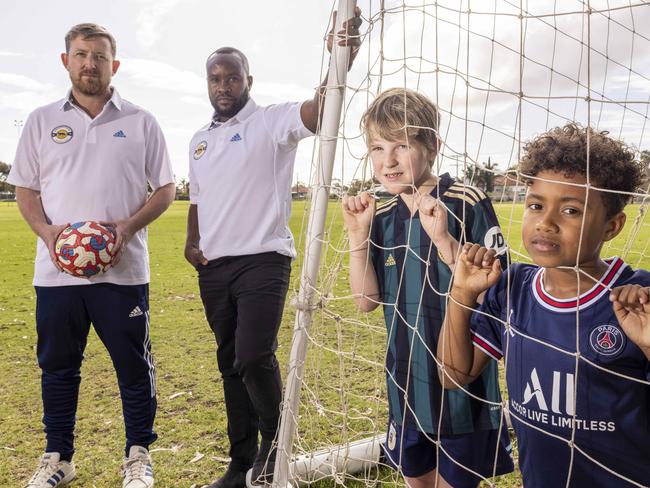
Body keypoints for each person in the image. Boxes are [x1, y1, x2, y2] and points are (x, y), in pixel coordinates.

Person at [183, 9, 362, 488]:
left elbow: (321, 107)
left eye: (232, 77)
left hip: (263, 260)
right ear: (207, 83)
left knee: (252, 355)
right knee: (228, 363)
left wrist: (341, 55)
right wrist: (190, 239)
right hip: (214, 267)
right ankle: (240, 462)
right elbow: (197, 196)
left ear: (247, 80)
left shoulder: (269, 122)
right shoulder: (199, 141)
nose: (223, 85)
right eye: (215, 78)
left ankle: (273, 446)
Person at [8, 23, 175, 488]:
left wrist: (127, 227)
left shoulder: (141, 121)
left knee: (132, 367)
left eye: (99, 56)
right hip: (56, 275)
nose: (90, 64)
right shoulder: (42, 120)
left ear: (113, 65)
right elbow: (26, 187)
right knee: (58, 367)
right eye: (81, 55)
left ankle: (138, 455)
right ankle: (58, 457)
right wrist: (46, 233)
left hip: (122, 274)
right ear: (66, 61)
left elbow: (166, 188)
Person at [438, 123, 650, 487]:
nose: (546, 223)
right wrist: (461, 295)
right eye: (536, 205)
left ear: (612, 226)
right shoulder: (512, 287)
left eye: (570, 211)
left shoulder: (637, 296)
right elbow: (452, 376)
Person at [341, 88, 514, 488]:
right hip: (405, 381)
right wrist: (357, 237)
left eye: (401, 146)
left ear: (432, 146)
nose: (388, 161)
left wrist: (444, 243)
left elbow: (498, 293)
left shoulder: (466, 201)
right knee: (416, 480)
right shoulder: (381, 214)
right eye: (377, 148)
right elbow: (365, 301)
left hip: (462, 383)